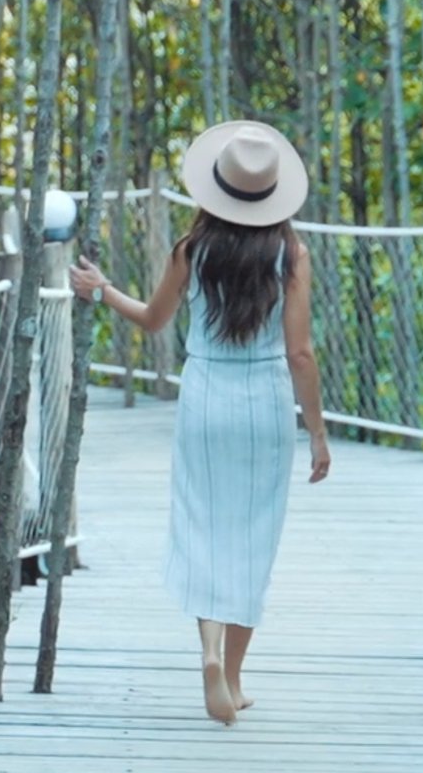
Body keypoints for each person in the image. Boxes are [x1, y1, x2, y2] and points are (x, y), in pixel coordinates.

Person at [69, 120, 331, 726]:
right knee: (253, 535)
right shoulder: (292, 255)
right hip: (264, 401)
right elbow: (300, 353)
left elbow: (153, 319)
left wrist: (101, 290)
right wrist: (317, 432)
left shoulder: (192, 250)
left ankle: (210, 653)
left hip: (206, 396)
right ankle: (232, 678)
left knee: (205, 525)